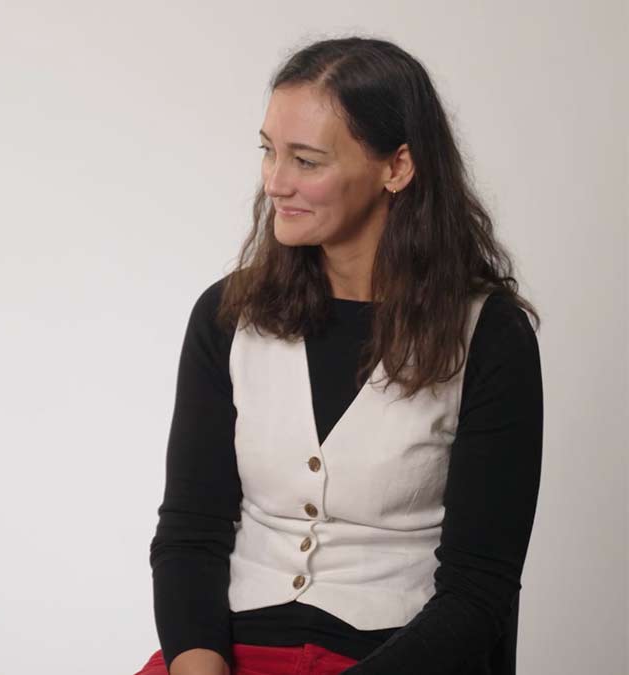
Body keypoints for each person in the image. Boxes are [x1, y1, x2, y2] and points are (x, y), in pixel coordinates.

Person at [139, 37, 542, 675]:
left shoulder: (490, 335)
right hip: (225, 653)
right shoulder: (226, 316)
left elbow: (479, 591)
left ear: (397, 168)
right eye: (269, 152)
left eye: (307, 160)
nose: (276, 182)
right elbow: (190, 531)